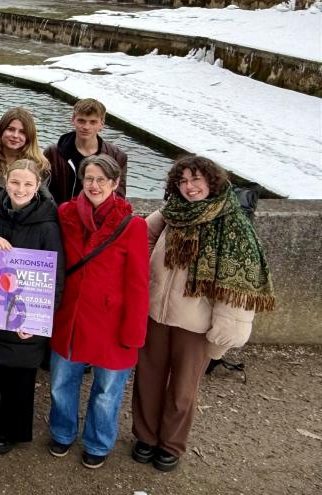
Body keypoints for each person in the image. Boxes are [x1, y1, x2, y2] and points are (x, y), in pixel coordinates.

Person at [132, 156, 273, 472]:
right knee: (148, 378)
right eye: (182, 181)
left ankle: (170, 443)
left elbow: (236, 285)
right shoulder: (172, 212)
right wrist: (144, 275)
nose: (189, 186)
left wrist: (224, 331)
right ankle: (145, 437)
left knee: (183, 389)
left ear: (212, 181)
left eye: (195, 179)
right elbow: (141, 235)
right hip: (155, 313)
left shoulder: (231, 224)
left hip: (194, 323)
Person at [49, 154, 148, 469]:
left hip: (111, 319)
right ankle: (62, 432)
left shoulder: (132, 226)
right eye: (89, 178)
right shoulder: (65, 213)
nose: (94, 185)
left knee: (107, 390)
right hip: (72, 315)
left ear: (115, 184)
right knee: (61, 382)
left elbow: (137, 283)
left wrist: (134, 330)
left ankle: (98, 441)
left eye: (101, 180)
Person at [0, 159, 64, 455]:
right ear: (5, 182)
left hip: (24, 314)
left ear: (37, 188)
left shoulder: (48, 225)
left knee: (17, 377)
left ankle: (7, 427)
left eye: (27, 184)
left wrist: (37, 321)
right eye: (14, 182)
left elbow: (54, 277)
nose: (20, 189)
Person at [44, 98, 129, 204]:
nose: (86, 127)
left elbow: (118, 196)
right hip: (59, 215)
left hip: (97, 218)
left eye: (93, 122)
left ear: (101, 124)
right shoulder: (52, 153)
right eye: (81, 121)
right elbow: (42, 190)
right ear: (73, 120)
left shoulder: (117, 157)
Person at [0, 107, 50, 188]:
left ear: (30, 136)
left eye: (22, 132)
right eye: (10, 129)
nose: (15, 135)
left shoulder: (40, 167)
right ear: (1, 131)